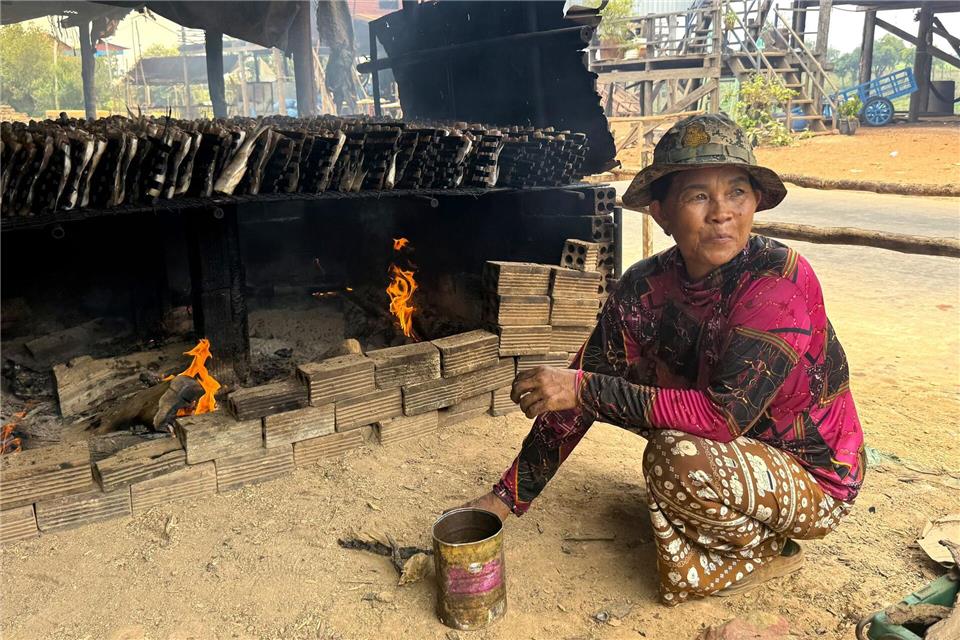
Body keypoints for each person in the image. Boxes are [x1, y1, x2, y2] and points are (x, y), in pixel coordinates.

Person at [460, 113, 866, 605]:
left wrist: (582, 388)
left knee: (676, 455)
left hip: (813, 476)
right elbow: (580, 390)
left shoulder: (778, 284)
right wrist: (506, 498)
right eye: (698, 196)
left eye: (737, 192)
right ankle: (725, 513)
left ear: (756, 202)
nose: (722, 213)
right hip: (738, 451)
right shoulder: (644, 286)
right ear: (662, 214)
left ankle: (768, 550)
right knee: (617, 396)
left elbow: (718, 418)